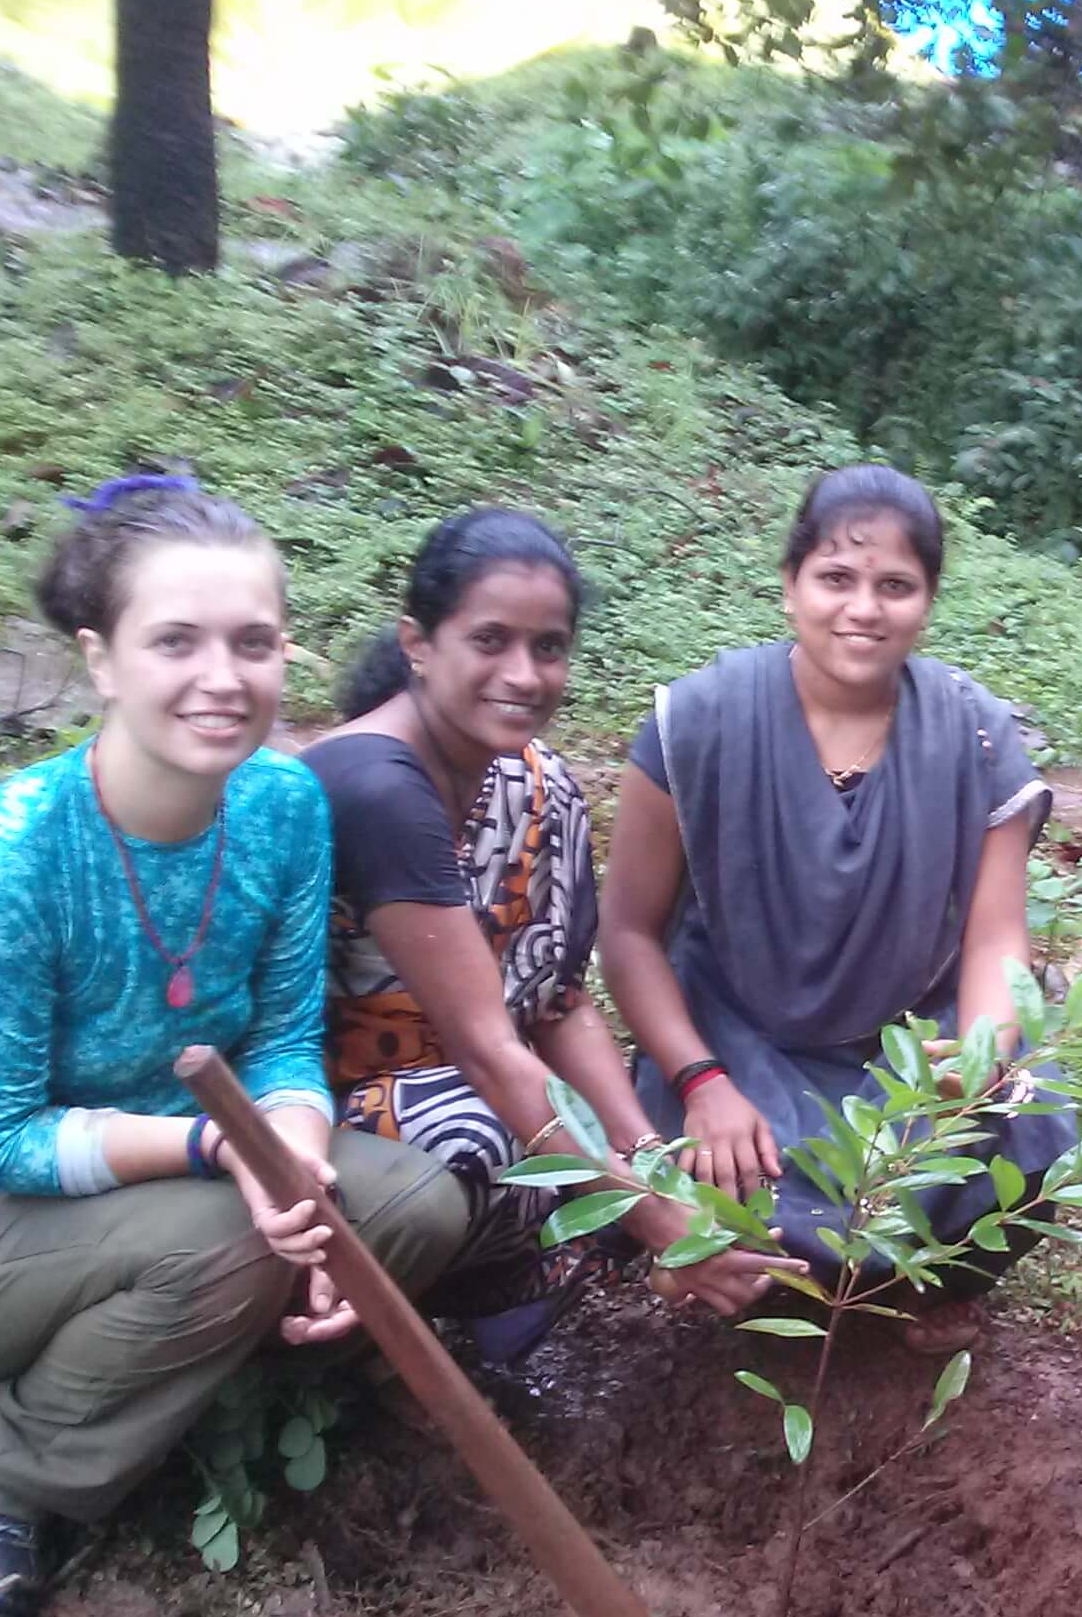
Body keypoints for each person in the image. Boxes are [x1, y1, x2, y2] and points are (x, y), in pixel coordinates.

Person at [0, 478, 470, 1617]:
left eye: (253, 642)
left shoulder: (283, 804)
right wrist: (220, 1155)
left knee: (416, 1203)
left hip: (184, 1179)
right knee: (227, 1230)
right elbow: (2, 1136)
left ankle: (207, 1376)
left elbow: (283, 1037)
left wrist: (301, 1169)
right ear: (103, 660)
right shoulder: (5, 861)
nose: (221, 678)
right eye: (175, 641)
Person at [597, 465, 1070, 1347]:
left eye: (896, 586)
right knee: (734, 1160)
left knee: (1031, 1108)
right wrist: (702, 1083)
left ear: (927, 601)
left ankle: (924, 1283)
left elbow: (996, 933)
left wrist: (981, 1054)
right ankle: (742, 1263)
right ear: (790, 588)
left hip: (903, 1041)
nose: (863, 608)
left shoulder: (973, 734)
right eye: (836, 580)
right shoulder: (697, 721)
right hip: (737, 1042)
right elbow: (626, 933)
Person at [309, 507, 798, 1341]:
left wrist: (652, 1162)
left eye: (549, 647)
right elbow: (490, 1051)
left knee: (636, 1140)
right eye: (490, 640)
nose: (524, 674)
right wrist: (649, 1217)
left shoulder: (538, 786)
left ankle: (489, 1307)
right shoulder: (372, 784)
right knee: (509, 1133)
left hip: (469, 1089)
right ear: (418, 644)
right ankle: (394, 1328)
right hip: (321, 1109)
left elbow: (558, 1005)